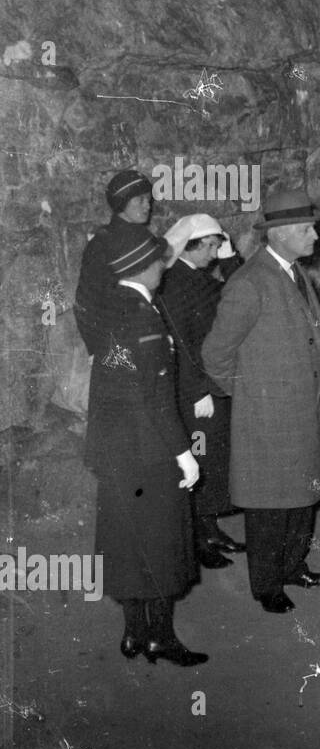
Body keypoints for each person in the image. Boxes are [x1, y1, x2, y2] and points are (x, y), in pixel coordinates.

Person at [201, 190, 320, 614]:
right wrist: (250, 399)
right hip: (268, 416)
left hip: (301, 410)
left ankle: (294, 565)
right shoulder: (249, 283)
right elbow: (215, 355)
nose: (315, 235)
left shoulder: (294, 274)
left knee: (300, 494)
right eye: (306, 229)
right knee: (268, 505)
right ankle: (266, 584)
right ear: (278, 235)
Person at [86, 226, 207, 666]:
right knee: (159, 545)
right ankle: (161, 638)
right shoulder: (144, 315)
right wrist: (184, 454)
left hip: (113, 450)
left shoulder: (111, 306)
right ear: (144, 265)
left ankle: (133, 634)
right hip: (150, 452)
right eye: (160, 260)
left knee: (126, 542)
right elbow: (154, 395)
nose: (164, 267)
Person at [158, 214, 243, 572]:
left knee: (212, 459)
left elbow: (239, 290)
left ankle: (209, 528)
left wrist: (228, 256)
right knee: (198, 460)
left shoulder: (198, 277)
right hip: (193, 389)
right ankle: (194, 540)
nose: (213, 252)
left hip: (210, 383)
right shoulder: (175, 283)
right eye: (209, 246)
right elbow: (181, 344)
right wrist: (197, 391)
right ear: (190, 247)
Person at [75, 168, 155, 360]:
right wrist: (97, 349)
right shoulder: (102, 244)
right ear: (122, 202)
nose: (147, 206)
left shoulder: (145, 238)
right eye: (140, 200)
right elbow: (86, 301)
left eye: (149, 200)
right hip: (118, 342)